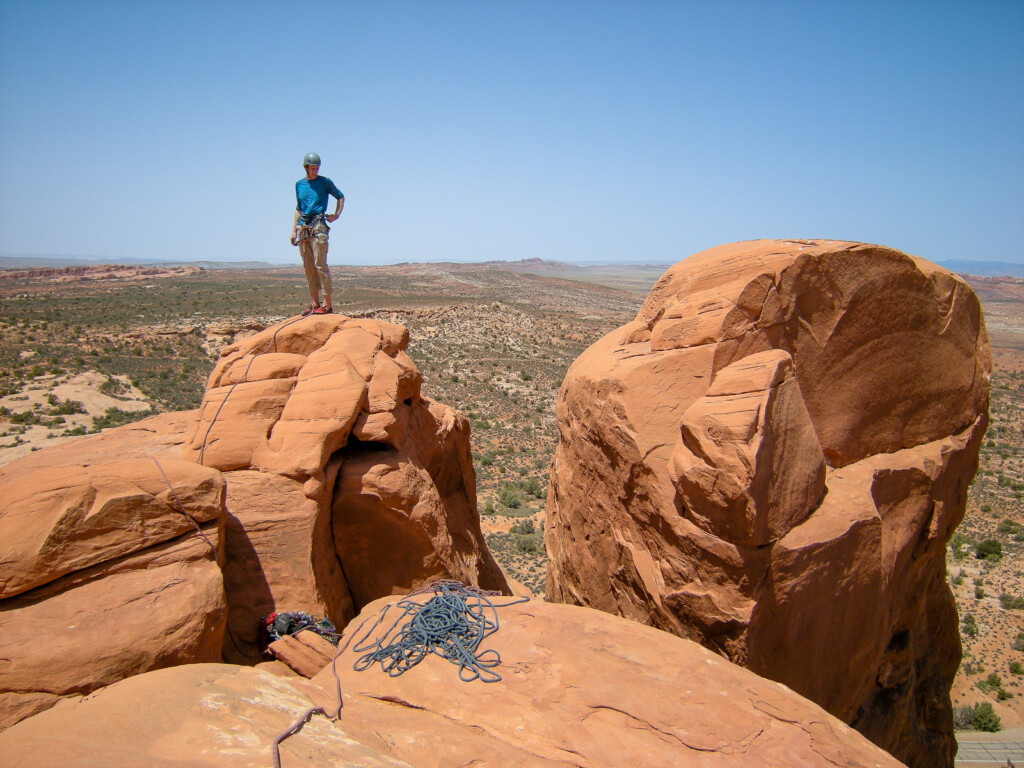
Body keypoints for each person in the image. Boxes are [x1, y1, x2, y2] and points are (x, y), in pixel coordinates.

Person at [291, 152, 344, 315]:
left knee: (321, 265)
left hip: (319, 226)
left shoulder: (324, 182)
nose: (315, 171)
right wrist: (293, 230)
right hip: (304, 229)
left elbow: (340, 196)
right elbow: (299, 208)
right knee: (309, 267)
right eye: (312, 168)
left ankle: (327, 304)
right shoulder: (299, 184)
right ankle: (315, 303)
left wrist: (336, 215)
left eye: (317, 168)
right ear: (306, 168)